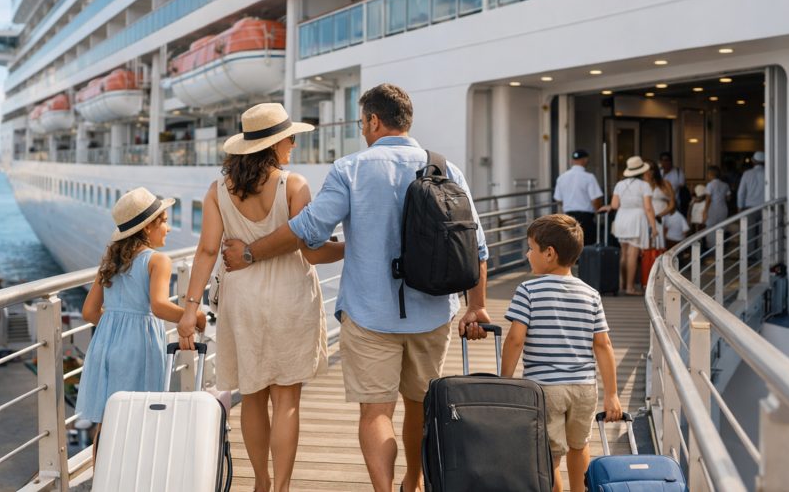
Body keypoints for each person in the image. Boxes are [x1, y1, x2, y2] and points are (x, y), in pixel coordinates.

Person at [220, 84, 492, 492]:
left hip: (369, 315)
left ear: (373, 121)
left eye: (363, 123)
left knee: (375, 413)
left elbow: (309, 230)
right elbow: (478, 247)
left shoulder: (351, 168)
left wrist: (251, 253)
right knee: (420, 406)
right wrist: (478, 307)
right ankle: (412, 483)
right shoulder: (446, 168)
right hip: (433, 311)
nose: (362, 131)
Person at [179, 103, 343, 492]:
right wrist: (352, 248)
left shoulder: (219, 190)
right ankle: (283, 487)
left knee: (252, 396)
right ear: (273, 145)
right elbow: (311, 250)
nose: (293, 145)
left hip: (242, 300)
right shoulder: (294, 185)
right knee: (286, 400)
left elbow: (206, 252)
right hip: (288, 297)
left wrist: (189, 310)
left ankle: (261, 483)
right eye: (289, 138)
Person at [74, 187, 205, 462]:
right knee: (139, 417)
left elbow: (88, 312)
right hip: (139, 346)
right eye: (165, 221)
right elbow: (158, 306)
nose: (168, 228)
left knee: (107, 422)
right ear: (147, 228)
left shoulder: (109, 260)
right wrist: (193, 316)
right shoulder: (158, 260)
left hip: (105, 343)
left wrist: (114, 325)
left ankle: (103, 482)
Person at [500, 214, 621, 492]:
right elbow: (603, 345)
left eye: (531, 248)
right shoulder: (591, 294)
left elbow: (515, 340)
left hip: (545, 389)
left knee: (549, 454)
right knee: (579, 446)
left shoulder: (528, 290)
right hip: (583, 388)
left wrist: (504, 382)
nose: (527, 254)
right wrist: (612, 393)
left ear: (549, 253)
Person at [601, 156, 657, 295]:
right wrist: (654, 227)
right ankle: (630, 287)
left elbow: (614, 205)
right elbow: (648, 208)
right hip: (636, 219)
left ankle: (621, 284)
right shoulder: (644, 185)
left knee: (623, 254)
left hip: (622, 217)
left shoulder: (620, 184)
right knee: (633, 254)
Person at [553, 149, 603, 246]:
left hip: (568, 217)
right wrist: (599, 213)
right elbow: (595, 199)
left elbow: (558, 199)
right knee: (586, 245)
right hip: (585, 218)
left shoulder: (562, 177)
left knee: (571, 247)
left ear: (573, 161)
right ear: (585, 160)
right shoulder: (589, 177)